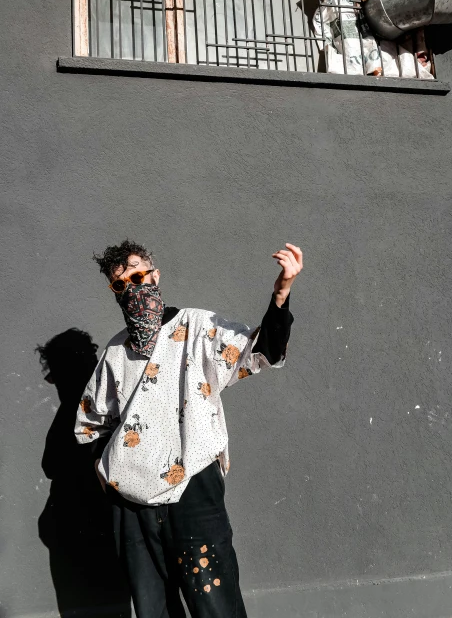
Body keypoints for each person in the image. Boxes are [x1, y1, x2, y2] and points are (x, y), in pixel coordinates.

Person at [75, 239, 303, 618]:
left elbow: (261, 351)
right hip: (133, 505)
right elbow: (91, 424)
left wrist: (282, 291)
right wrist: (107, 472)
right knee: (152, 609)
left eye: (138, 276)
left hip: (193, 490)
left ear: (155, 274)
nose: (133, 289)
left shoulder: (195, 327)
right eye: (121, 285)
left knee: (216, 606)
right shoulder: (114, 353)